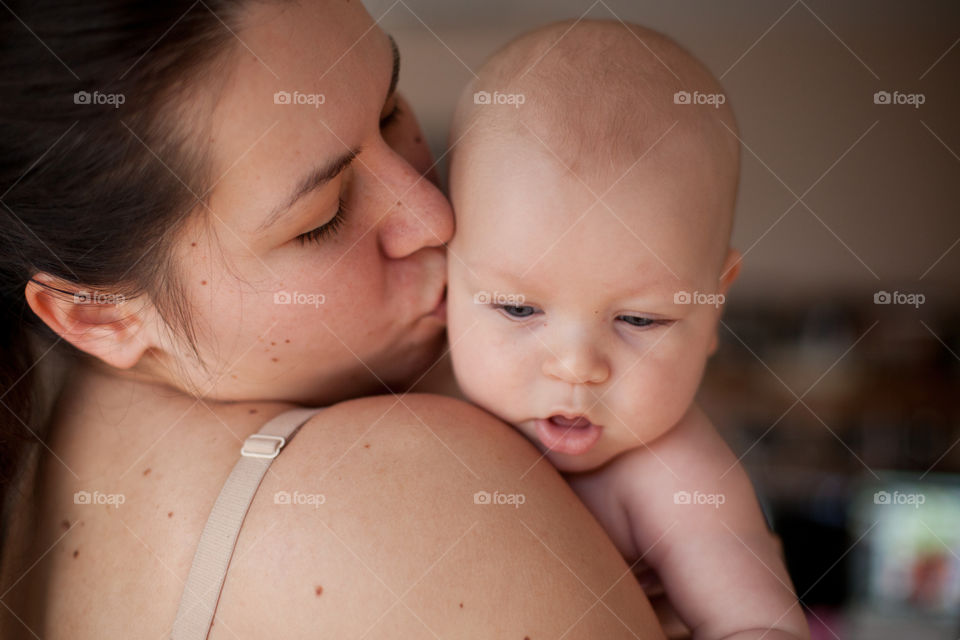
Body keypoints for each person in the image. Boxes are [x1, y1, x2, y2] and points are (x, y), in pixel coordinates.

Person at [0, 2, 670, 638]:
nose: (433, 216)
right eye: (322, 219)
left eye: (390, 110)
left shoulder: (48, 419)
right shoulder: (431, 496)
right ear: (98, 316)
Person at [442, 20, 810, 640]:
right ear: (444, 278)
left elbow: (755, 624)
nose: (576, 366)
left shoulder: (676, 474)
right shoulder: (414, 395)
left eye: (640, 319)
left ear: (714, 305)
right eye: (517, 309)